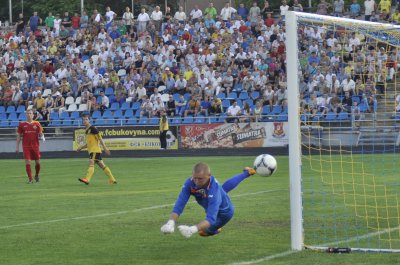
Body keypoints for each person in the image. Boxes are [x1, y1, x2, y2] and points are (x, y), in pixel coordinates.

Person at [160, 163, 256, 237]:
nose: (196, 181)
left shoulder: (213, 191)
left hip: (224, 214)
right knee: (223, 189)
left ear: (209, 175)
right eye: (194, 178)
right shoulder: (190, 182)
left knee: (203, 232)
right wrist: (170, 222)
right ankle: (247, 172)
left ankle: (216, 230)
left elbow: (210, 218)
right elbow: (180, 202)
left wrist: (192, 229)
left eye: (200, 179)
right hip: (211, 199)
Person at [76, 115, 117, 185]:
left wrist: (105, 148)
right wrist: (81, 147)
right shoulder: (87, 130)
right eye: (83, 120)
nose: (85, 121)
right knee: (102, 165)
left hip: (95, 150)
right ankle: (112, 179)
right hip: (93, 151)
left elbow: (100, 138)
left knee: (91, 162)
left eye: (86, 119)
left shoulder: (93, 128)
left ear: (89, 120)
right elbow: (88, 143)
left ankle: (87, 179)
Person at [16, 109, 45, 183]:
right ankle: (30, 179)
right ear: (26, 115)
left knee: (38, 163)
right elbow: (19, 136)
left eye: (30, 113)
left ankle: (37, 175)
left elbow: (41, 132)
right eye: (28, 113)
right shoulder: (22, 124)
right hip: (26, 146)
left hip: (35, 146)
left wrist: (42, 137)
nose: (29, 114)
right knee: (28, 162)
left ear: (33, 115)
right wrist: (17, 147)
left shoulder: (37, 123)